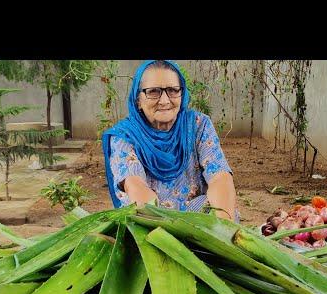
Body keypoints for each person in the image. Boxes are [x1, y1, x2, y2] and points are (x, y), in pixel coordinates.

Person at [102, 60, 238, 221]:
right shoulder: (125, 135)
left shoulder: (198, 125)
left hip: (197, 216)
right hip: (149, 219)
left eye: (173, 90)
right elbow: (135, 185)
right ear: (138, 99)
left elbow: (219, 177)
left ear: (182, 94)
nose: (165, 101)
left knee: (221, 208)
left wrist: (222, 225)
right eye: (153, 91)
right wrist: (170, 236)